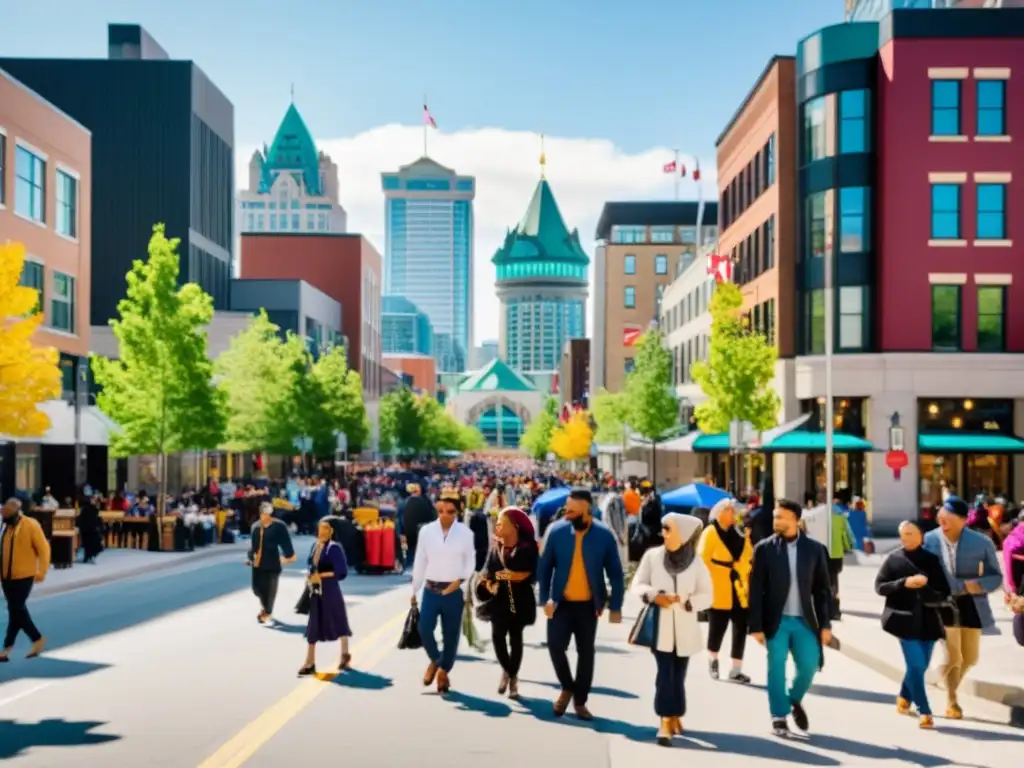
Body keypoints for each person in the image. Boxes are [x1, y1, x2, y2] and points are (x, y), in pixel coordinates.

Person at [538, 487, 625, 719]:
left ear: (587, 511)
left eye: (573, 511)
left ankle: (580, 701)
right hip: (560, 603)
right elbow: (544, 568)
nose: (567, 514)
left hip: (589, 606)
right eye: (567, 509)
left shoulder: (604, 536)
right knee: (555, 646)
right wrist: (545, 598)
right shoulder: (555, 532)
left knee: (586, 653)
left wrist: (616, 606)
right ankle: (567, 686)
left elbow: (616, 573)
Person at [748, 499, 833, 738]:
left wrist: (826, 624)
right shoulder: (764, 549)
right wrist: (755, 625)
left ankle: (793, 699)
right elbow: (755, 589)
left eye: (782, 517)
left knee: (809, 665)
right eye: (775, 517)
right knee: (776, 666)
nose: (777, 521)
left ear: (797, 520)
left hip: (805, 621)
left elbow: (823, 590)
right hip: (776, 621)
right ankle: (778, 716)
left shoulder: (815, 550)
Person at [631, 512, 713, 745]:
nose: (663, 533)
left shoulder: (696, 562)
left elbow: (708, 594)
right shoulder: (652, 556)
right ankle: (665, 719)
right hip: (660, 626)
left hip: (686, 628)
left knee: (678, 674)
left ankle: (676, 713)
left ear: (683, 534)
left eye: (668, 529)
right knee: (665, 673)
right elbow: (637, 584)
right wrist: (656, 596)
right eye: (663, 528)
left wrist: (689, 602)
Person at [922, 496, 1003, 719]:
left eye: (949, 516)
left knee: (970, 657)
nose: (942, 519)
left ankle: (943, 680)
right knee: (953, 656)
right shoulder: (928, 540)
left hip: (972, 603)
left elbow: (996, 577)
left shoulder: (981, 542)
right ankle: (952, 700)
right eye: (941, 515)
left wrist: (977, 585)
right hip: (941, 602)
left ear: (963, 520)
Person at [874, 521, 951, 729]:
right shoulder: (893, 559)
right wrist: (903, 583)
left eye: (910, 533)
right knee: (916, 665)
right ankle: (924, 710)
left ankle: (904, 696)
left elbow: (944, 591)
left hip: (929, 622)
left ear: (921, 535)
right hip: (903, 621)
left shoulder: (932, 560)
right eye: (902, 534)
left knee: (920, 667)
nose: (905, 538)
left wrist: (925, 587)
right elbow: (880, 587)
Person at [411, 489, 475, 694]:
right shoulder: (426, 532)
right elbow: (420, 560)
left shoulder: (466, 534)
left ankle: (444, 672)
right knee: (424, 628)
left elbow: (470, 561)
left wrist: (461, 583)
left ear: (458, 512)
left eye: (450, 511)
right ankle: (435, 661)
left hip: (453, 591)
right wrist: (414, 588)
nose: (445, 515)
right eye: (441, 510)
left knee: (451, 635)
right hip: (431, 589)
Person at [477, 506, 538, 698]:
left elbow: (526, 574)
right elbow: (488, 571)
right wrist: (486, 582)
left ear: (514, 526)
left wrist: (505, 575)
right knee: (497, 636)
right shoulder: (496, 547)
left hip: (519, 598)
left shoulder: (528, 548)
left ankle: (512, 678)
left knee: (515, 636)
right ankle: (509, 671)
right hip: (499, 598)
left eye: (501, 524)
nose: (497, 527)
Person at [699, 498, 753, 684]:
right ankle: (713, 661)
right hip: (717, 584)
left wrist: (741, 567)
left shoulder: (738, 533)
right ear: (720, 512)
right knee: (717, 627)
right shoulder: (710, 532)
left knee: (740, 627)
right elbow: (702, 559)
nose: (734, 513)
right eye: (730, 510)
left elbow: (748, 553)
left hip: (737, 586)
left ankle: (736, 669)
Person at [299, 519, 353, 676]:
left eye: (325, 529)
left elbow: (341, 571)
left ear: (331, 532)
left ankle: (345, 655)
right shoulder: (315, 546)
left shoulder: (334, 548)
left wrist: (321, 575)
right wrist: (310, 574)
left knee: (339, 621)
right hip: (315, 591)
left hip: (330, 590)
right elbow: (311, 564)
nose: (321, 532)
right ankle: (310, 662)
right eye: (320, 529)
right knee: (313, 625)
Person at [1, 498, 50, 661]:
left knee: (16, 608)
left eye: (7, 514)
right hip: (6, 577)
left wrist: (42, 571)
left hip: (24, 576)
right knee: (16, 611)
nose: (4, 517)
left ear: (16, 512)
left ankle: (36, 639)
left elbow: (44, 549)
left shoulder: (31, 525)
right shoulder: (5, 527)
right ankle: (7, 649)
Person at [247, 502, 296, 624]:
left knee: (269, 590)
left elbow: (286, 543)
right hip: (258, 563)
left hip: (273, 563)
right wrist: (250, 557)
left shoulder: (279, 526)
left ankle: (266, 611)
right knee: (257, 589)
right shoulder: (255, 527)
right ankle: (265, 608)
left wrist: (288, 555)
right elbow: (253, 546)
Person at [827, 495, 855, 619]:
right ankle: (835, 611)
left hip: (820, 554)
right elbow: (848, 534)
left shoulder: (818, 517)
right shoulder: (840, 517)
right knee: (834, 582)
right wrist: (850, 545)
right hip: (836, 554)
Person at [400, 483, 436, 568]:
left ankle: (409, 566)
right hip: (421, 530)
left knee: (410, 550)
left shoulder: (404, 502)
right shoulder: (425, 501)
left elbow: (400, 518)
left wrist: (402, 532)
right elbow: (431, 516)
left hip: (409, 530)